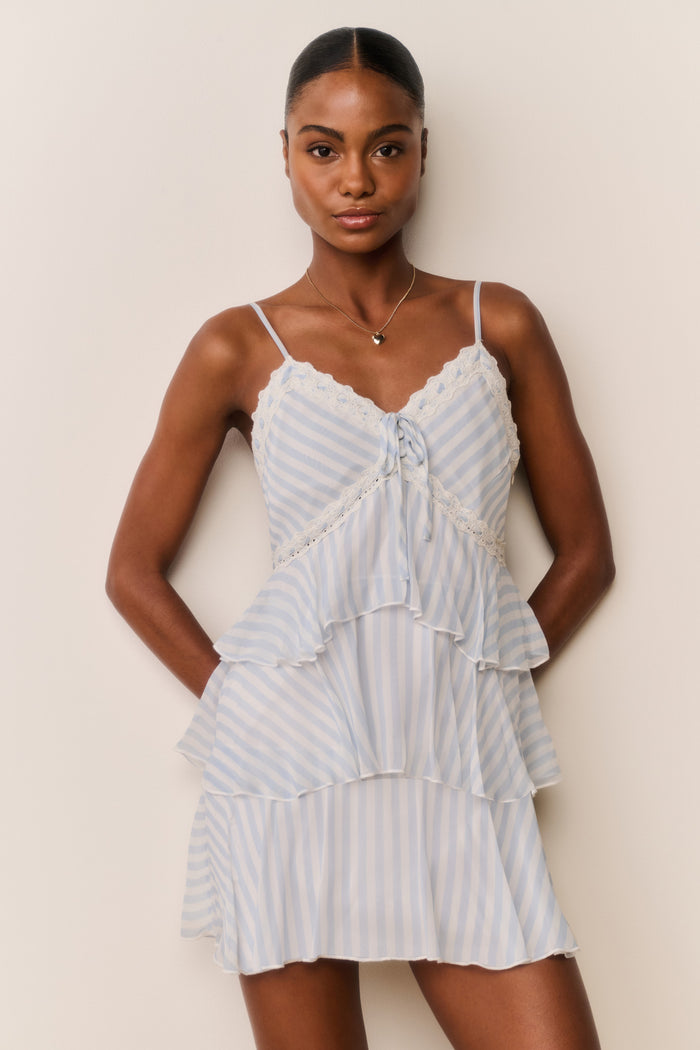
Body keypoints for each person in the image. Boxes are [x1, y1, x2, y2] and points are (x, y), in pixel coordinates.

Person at [106, 26, 614, 1050]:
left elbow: (586, 555)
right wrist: (250, 710)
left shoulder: (497, 323)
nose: (356, 179)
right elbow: (132, 572)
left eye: (387, 146)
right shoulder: (237, 344)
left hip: (458, 777)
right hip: (289, 787)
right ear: (286, 156)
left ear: (424, 151)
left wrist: (487, 688)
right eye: (322, 148)